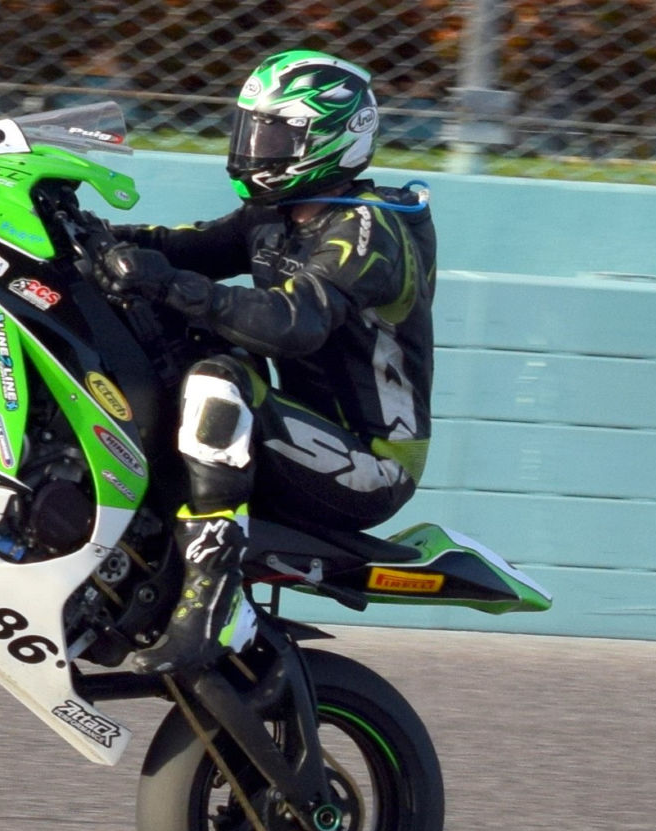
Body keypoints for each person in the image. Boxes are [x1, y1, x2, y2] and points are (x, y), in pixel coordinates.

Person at [94, 50, 438, 675]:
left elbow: (293, 323)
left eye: (275, 134)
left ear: (334, 138)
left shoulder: (369, 230)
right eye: (251, 129)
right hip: (301, 427)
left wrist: (172, 283)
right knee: (179, 344)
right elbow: (177, 246)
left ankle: (212, 599)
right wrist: (79, 232)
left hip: (373, 462)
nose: (255, 149)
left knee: (216, 382)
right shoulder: (274, 218)